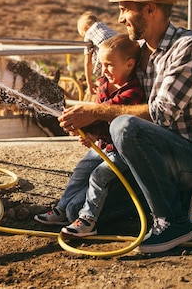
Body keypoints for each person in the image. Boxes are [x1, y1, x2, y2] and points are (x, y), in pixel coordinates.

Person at [58, 0, 192, 253]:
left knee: (124, 126)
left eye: (125, 9)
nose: (120, 18)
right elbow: (109, 85)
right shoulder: (138, 51)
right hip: (147, 156)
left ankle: (173, 223)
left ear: (150, 8)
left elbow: (163, 113)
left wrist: (95, 111)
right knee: (76, 210)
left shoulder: (189, 46)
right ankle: (153, 202)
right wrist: (89, 122)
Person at [34, 34, 145, 237]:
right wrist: (91, 133)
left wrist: (93, 125)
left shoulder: (132, 93)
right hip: (104, 145)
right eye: (102, 65)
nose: (103, 71)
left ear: (129, 64)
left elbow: (108, 116)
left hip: (121, 150)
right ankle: (61, 208)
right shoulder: (104, 84)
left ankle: (87, 219)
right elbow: (98, 118)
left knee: (99, 176)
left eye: (109, 65)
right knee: (81, 170)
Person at [77, 12, 117, 97]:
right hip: (122, 55)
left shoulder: (89, 33)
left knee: (104, 88)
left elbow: (88, 62)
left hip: (109, 57)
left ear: (85, 28)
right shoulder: (105, 27)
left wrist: (89, 83)